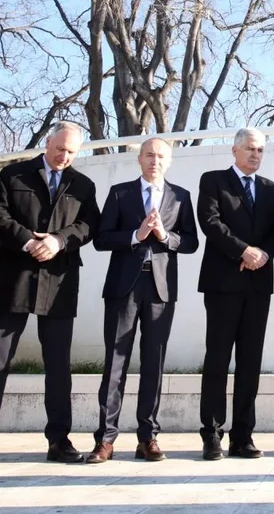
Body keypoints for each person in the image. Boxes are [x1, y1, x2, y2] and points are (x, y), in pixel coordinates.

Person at [0, 121, 100, 469]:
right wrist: (28, 240)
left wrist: (58, 241)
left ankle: (59, 439)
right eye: (59, 148)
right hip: (15, 276)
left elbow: (87, 226)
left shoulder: (83, 185)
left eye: (71, 152)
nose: (64, 156)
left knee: (58, 366)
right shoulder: (14, 175)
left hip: (59, 281)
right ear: (48, 142)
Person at [88, 137, 198, 464]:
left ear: (170, 161)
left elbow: (191, 242)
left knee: (154, 363)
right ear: (139, 159)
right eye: (149, 154)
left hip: (161, 290)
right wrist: (135, 236)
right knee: (116, 362)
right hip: (124, 287)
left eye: (161, 156)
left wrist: (166, 237)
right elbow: (101, 238)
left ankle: (148, 436)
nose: (155, 160)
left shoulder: (180, 197)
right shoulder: (120, 193)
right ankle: (105, 439)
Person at [195, 127, 274, 461]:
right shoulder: (214, 180)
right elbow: (210, 222)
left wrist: (262, 255)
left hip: (258, 284)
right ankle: (212, 434)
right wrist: (243, 251)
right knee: (218, 359)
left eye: (260, 150)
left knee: (251, 361)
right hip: (223, 283)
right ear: (234, 150)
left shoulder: (270, 188)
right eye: (249, 149)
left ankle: (243, 435)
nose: (255, 155)